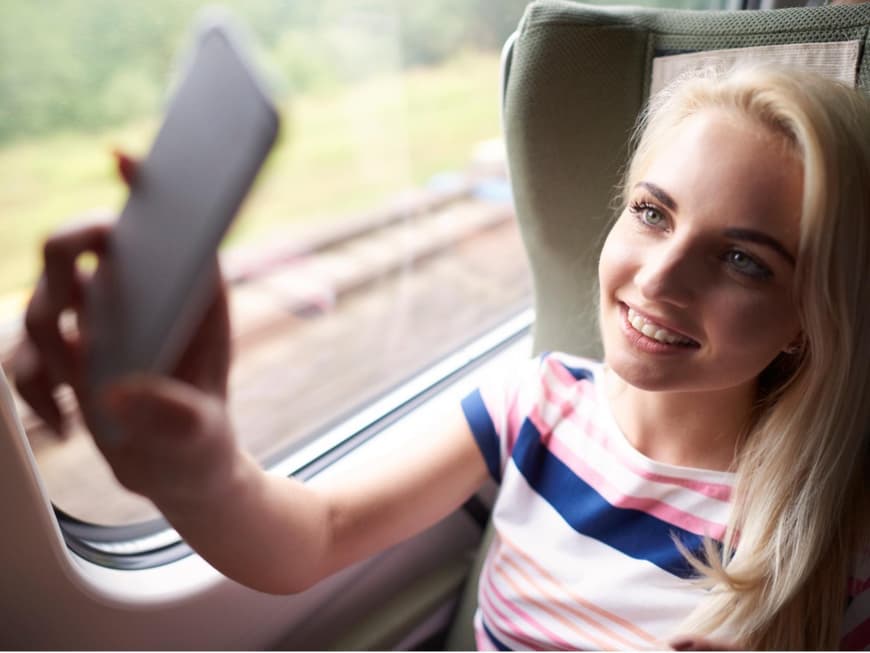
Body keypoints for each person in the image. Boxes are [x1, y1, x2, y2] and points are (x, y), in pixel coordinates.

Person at [12, 64, 870, 650]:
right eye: (652, 213)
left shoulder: (826, 529)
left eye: (743, 260)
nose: (660, 277)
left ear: (809, 316)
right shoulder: (537, 405)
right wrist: (198, 468)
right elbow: (313, 534)